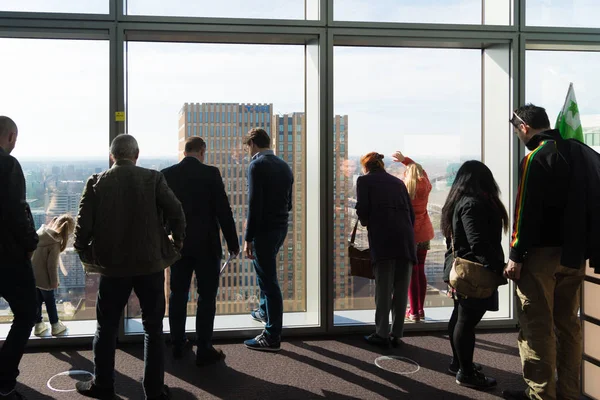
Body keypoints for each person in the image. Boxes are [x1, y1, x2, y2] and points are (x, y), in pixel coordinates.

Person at [74, 134, 185, 400]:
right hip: (150, 265)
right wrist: (176, 243)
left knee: (106, 328)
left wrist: (87, 253)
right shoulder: (153, 178)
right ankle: (154, 390)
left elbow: (82, 228)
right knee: (153, 328)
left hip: (113, 267)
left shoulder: (97, 182)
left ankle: (103, 385)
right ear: (136, 155)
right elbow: (177, 212)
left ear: (112, 156)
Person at [502, 105, 586, 400]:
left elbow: (525, 212)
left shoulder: (536, 158)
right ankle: (569, 393)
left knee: (538, 329)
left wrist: (515, 255)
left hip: (541, 258)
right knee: (568, 326)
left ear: (524, 127)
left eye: (516, 130)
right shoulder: (580, 153)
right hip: (575, 255)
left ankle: (540, 395)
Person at [162, 137, 239, 365]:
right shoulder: (211, 174)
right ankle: (204, 348)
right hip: (207, 246)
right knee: (206, 297)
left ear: (184, 152)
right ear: (202, 151)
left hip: (180, 244)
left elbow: (162, 212)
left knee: (178, 294)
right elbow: (223, 211)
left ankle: (177, 343)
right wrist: (232, 242)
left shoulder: (167, 174)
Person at [441, 160, 508, 390]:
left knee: (460, 318)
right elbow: (477, 243)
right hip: (473, 272)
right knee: (466, 322)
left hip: (463, 269)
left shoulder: (460, 201)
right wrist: (498, 267)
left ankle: (459, 363)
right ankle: (466, 372)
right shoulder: (473, 204)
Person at [356, 152, 416, 348]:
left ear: (366, 166)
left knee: (383, 289)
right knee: (400, 289)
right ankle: (396, 333)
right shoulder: (398, 183)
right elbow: (411, 214)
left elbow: (363, 211)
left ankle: (381, 333)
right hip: (405, 241)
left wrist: (368, 220)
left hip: (384, 240)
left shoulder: (364, 181)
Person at [242, 128, 293, 352]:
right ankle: (264, 312)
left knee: (269, 280)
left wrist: (248, 237)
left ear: (252, 143)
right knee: (266, 274)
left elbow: (255, 204)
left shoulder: (257, 164)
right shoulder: (283, 165)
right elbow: (288, 202)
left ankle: (272, 335)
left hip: (264, 229)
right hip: (280, 227)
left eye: (247, 147)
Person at [0, 116, 39, 400]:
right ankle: (4, 380)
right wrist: (30, 243)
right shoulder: (8, 165)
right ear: (11, 136)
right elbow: (16, 211)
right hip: (8, 257)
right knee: (27, 313)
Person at [392, 151, 434, 322]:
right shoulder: (426, 185)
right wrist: (406, 161)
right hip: (424, 233)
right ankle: (420, 310)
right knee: (420, 271)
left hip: (408, 234)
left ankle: (413, 311)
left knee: (411, 272)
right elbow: (421, 171)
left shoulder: (402, 188)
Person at [31, 214, 75, 337]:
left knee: (37, 301)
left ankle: (38, 325)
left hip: (34, 277)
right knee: (50, 302)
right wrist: (54, 282)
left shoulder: (40, 234)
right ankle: (55, 325)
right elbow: (51, 266)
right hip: (45, 280)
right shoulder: (54, 244)